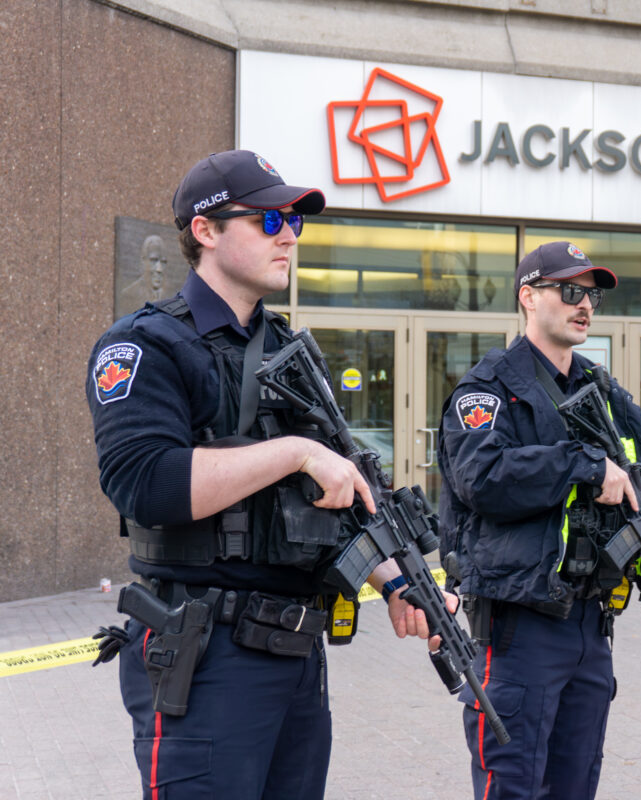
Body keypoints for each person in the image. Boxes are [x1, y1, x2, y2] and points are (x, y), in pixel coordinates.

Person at [87, 150, 437, 799]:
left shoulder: (290, 352)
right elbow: (146, 483)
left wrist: (397, 582)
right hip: (205, 655)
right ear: (206, 230)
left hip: (297, 656)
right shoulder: (146, 346)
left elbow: (344, 494)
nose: (288, 234)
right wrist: (295, 453)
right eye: (270, 217)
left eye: (295, 221)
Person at [436, 240, 641, 800]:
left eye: (592, 296)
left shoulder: (603, 391)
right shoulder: (488, 389)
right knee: (513, 785)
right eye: (570, 291)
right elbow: (480, 478)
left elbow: (638, 480)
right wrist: (581, 465)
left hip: (590, 623)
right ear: (528, 297)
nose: (585, 306)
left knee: (575, 784)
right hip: (517, 625)